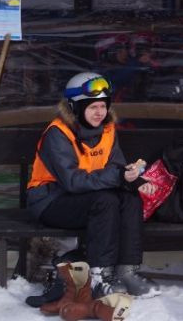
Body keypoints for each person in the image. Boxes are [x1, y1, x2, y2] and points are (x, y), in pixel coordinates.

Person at [26, 72, 160, 300]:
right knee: (106, 201)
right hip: (50, 200)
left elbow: (116, 167)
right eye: (92, 107)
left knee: (129, 198)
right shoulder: (58, 133)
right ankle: (100, 275)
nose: (100, 112)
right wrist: (118, 176)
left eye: (103, 106)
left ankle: (127, 271)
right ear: (75, 108)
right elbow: (72, 181)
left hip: (88, 197)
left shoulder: (107, 130)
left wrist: (133, 180)